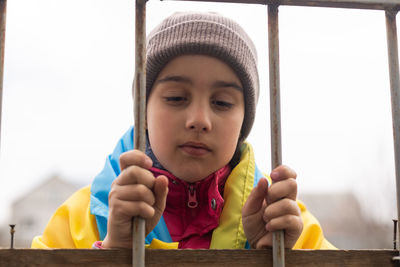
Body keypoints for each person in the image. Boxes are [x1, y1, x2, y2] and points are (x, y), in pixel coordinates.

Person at [32, 11, 334, 249]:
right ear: (143, 112)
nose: (199, 119)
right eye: (176, 98)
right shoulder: (81, 217)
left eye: (222, 102)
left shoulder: (287, 221)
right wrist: (114, 251)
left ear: (245, 121)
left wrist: (273, 258)